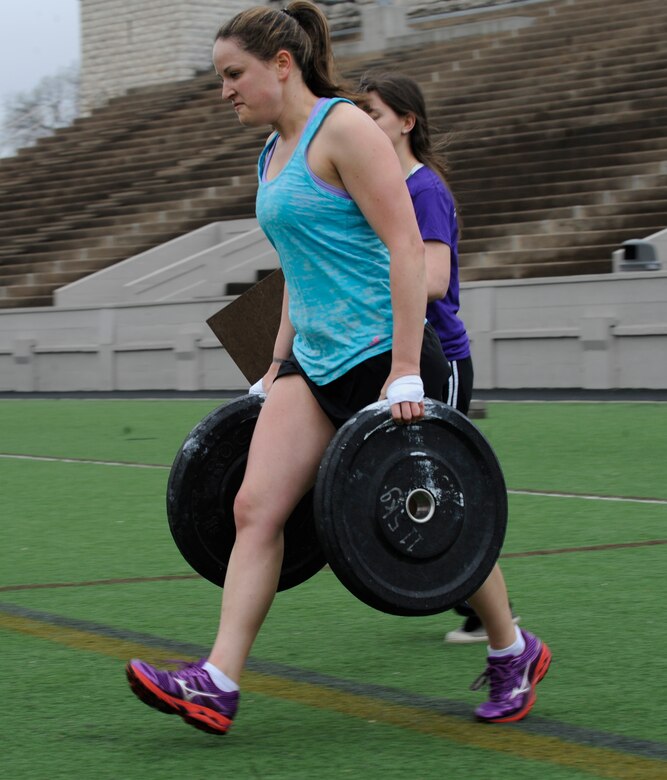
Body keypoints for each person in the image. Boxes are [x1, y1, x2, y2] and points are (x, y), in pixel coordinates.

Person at [125, 1, 551, 734]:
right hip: (315, 361)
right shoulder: (272, 152)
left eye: (234, 74)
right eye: (220, 77)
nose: (224, 89)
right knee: (253, 509)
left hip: (390, 355)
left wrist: (408, 370)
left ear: (281, 65)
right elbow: (296, 267)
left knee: (434, 523)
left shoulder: (345, 128)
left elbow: (406, 248)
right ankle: (217, 682)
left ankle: (513, 649)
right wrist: (274, 363)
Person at [358, 72, 522, 646]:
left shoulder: (423, 188)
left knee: (434, 482)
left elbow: (432, 277)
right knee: (411, 478)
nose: (364, 123)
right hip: (398, 352)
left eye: (373, 112)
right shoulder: (374, 185)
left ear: (406, 122)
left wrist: (368, 277)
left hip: (439, 359)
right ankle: (477, 599)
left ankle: (492, 615)